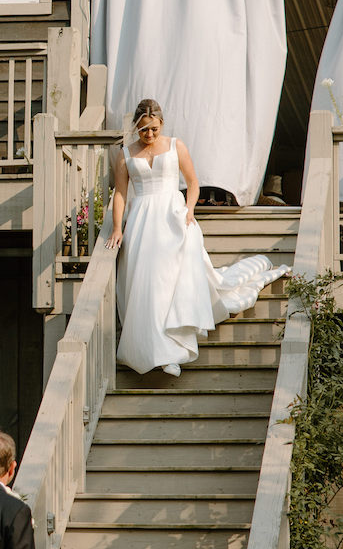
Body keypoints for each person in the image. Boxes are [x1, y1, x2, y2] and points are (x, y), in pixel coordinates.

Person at [106, 97, 289, 376]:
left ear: (161, 123)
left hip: (173, 217)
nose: (150, 135)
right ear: (136, 128)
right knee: (148, 284)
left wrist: (189, 210)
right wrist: (118, 228)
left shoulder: (175, 145)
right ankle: (150, 349)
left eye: (154, 129)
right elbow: (120, 193)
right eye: (144, 130)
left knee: (171, 282)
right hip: (143, 220)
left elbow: (192, 183)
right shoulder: (126, 154)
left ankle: (173, 352)